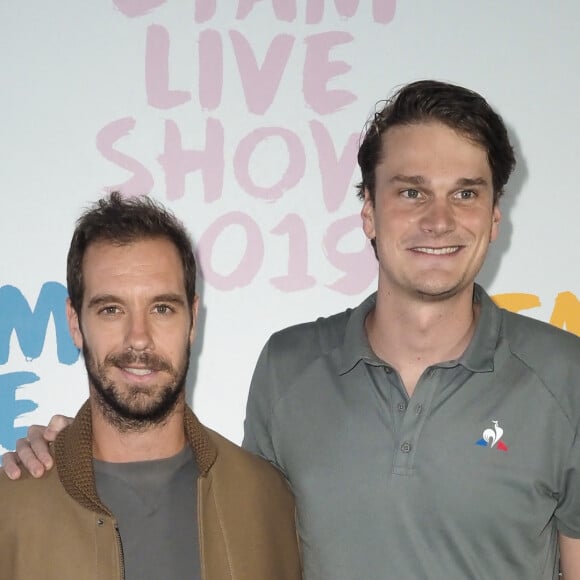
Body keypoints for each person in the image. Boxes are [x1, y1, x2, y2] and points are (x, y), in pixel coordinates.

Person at [4, 80, 580, 579]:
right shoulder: (288, 368)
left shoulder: (564, 377)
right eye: (411, 191)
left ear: (495, 216)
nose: (438, 218)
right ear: (368, 212)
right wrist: (63, 455)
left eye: (466, 193)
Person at [0, 193, 302, 580]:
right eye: (112, 309)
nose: (138, 338)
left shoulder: (271, 501)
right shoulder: (11, 506)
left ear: (192, 320)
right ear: (75, 323)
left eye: (162, 308)